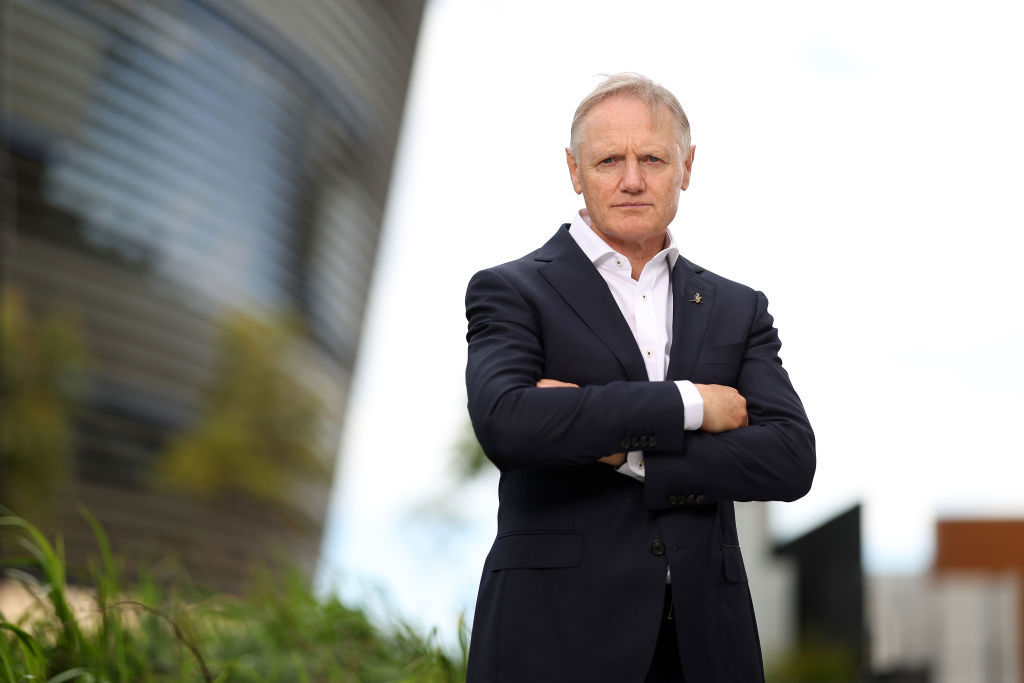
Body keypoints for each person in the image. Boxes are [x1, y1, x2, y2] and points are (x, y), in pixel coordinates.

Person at [463, 73, 815, 683]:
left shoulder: (738, 308)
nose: (631, 179)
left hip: (707, 647)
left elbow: (789, 459)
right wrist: (690, 406)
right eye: (609, 160)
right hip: (554, 638)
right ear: (574, 170)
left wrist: (624, 452)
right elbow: (509, 423)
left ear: (687, 166)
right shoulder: (512, 290)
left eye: (652, 158)